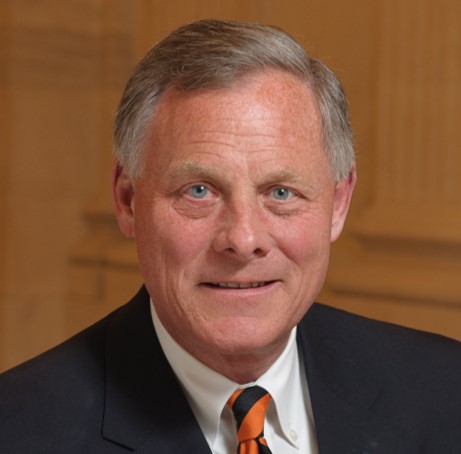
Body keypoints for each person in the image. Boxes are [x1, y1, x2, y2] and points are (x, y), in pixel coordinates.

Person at [1, 19, 460, 454]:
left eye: (281, 192)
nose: (243, 239)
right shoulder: (19, 429)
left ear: (338, 204)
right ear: (127, 201)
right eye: (199, 191)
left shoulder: (445, 390)